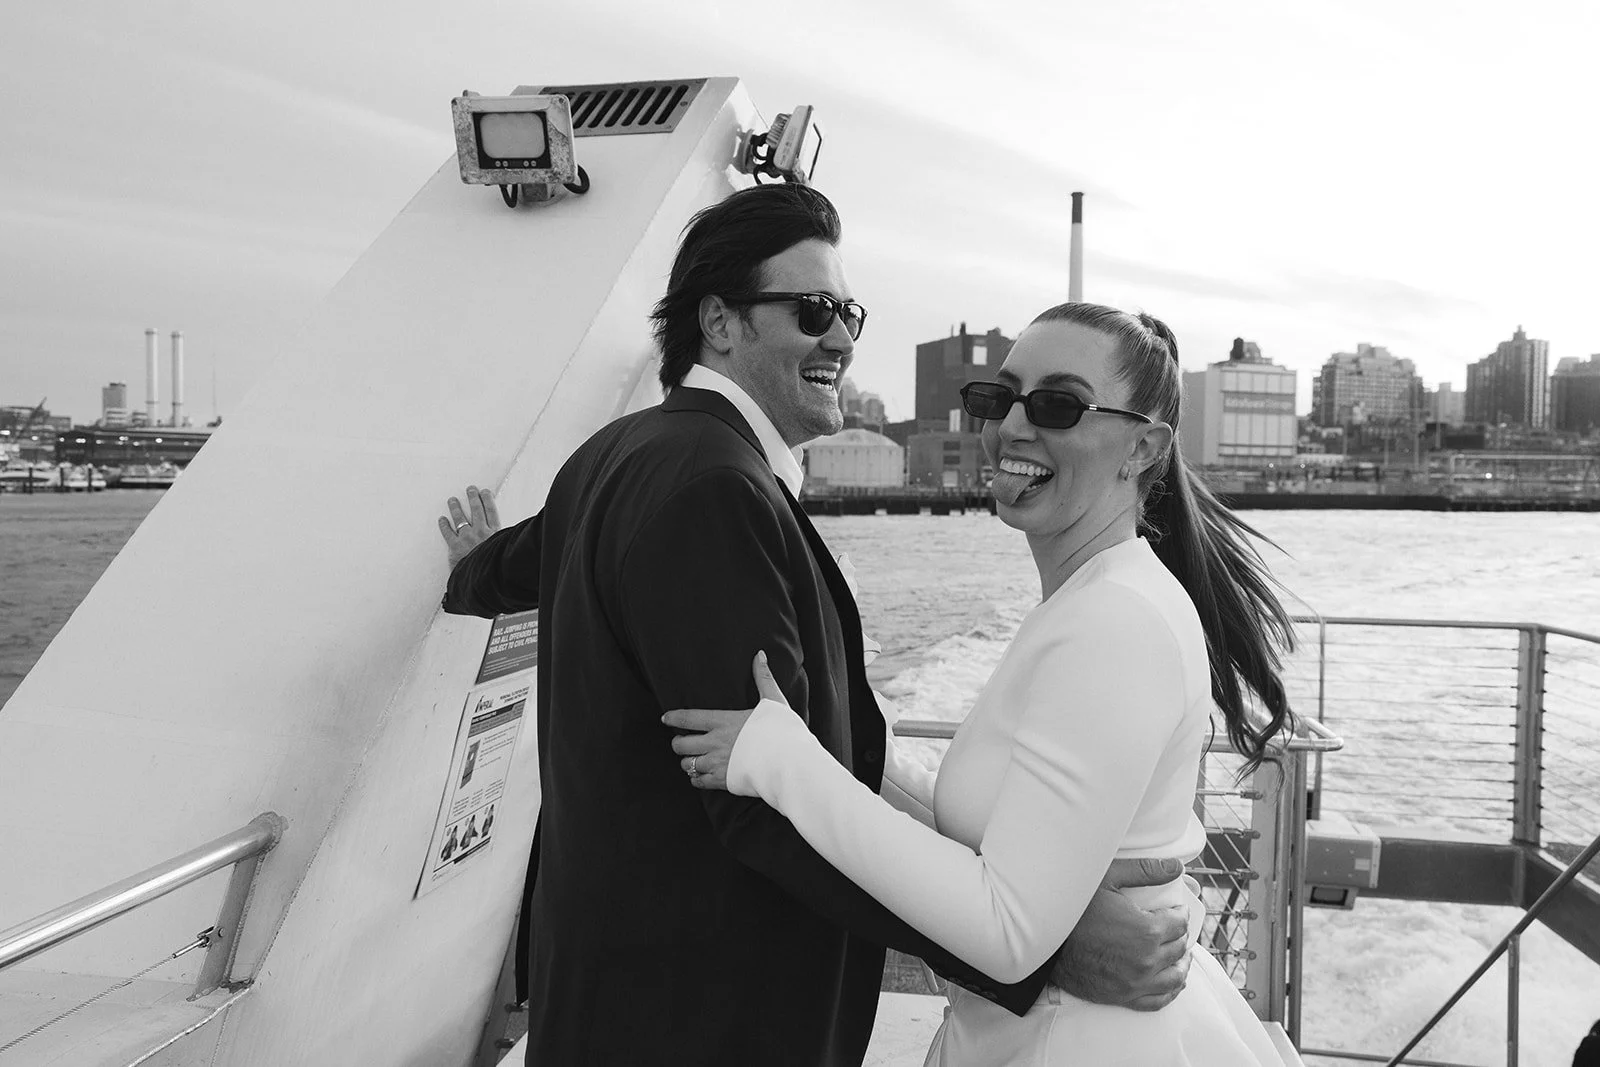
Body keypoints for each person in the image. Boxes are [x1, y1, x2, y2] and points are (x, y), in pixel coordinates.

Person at [438, 186, 1198, 1065]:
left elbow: (528, 559)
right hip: (705, 1019)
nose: (841, 336)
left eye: (848, 312)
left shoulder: (619, 454)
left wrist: (465, 571)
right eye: (813, 310)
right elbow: (760, 805)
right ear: (719, 323)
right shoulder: (714, 488)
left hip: (617, 988)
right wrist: (1052, 946)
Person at [665, 302, 1298, 1064]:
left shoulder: (1115, 622)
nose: (1014, 426)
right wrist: (839, 740)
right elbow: (1007, 820)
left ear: (1143, 448)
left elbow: (1005, 930)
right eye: (1001, 398)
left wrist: (780, 762)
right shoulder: (1092, 598)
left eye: (1059, 404)